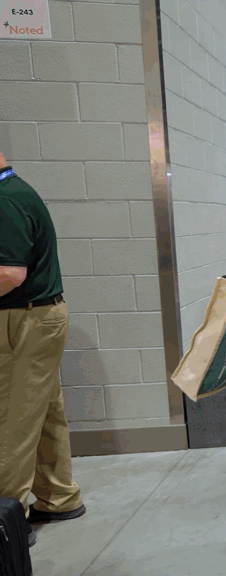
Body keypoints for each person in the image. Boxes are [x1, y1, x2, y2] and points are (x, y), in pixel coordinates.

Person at [0, 149, 86, 550]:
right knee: (42, 409)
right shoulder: (15, 193)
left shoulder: (5, 200)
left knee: (11, 419)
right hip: (36, 318)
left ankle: (6, 522)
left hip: (23, 319)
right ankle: (57, 496)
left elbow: (9, 274)